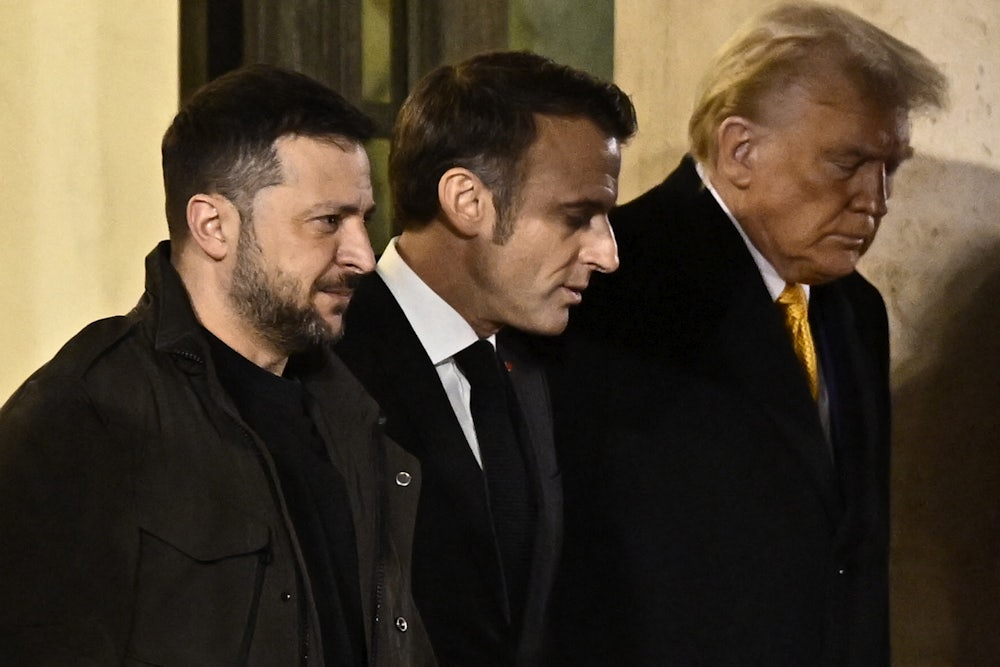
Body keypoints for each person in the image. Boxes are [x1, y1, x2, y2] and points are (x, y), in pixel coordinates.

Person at [549, 2, 947, 665]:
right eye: (847, 163)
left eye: (891, 167)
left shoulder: (855, 311)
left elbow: (854, 561)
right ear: (740, 150)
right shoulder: (608, 287)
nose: (876, 200)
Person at [0, 64, 434, 666]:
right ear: (213, 225)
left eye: (364, 218)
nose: (362, 254)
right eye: (328, 222)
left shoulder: (349, 410)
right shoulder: (85, 416)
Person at [334, 51, 636, 666]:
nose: (607, 254)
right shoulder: (323, 364)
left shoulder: (549, 360)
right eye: (577, 217)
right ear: (467, 200)